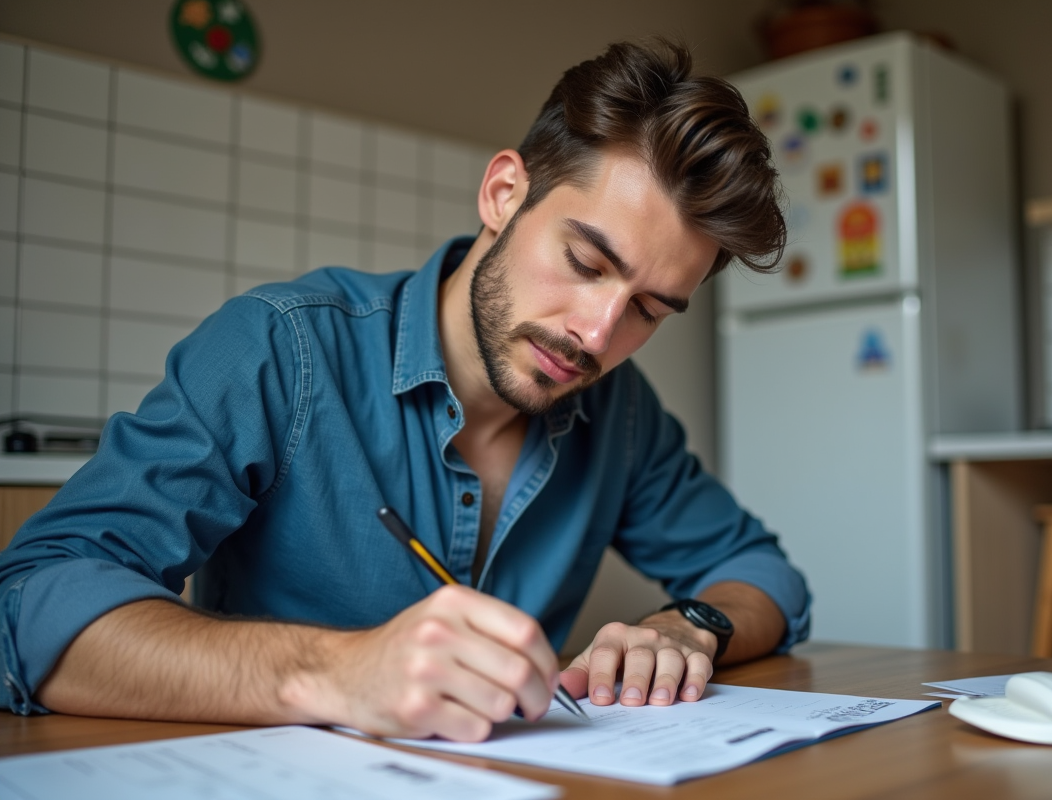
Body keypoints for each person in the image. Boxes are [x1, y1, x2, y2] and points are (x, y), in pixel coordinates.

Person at [0, 39, 810, 743]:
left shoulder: (622, 412)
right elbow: (29, 601)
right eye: (587, 264)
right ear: (503, 195)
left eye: (648, 309)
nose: (597, 336)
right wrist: (339, 671)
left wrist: (691, 625)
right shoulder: (281, 348)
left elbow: (762, 575)